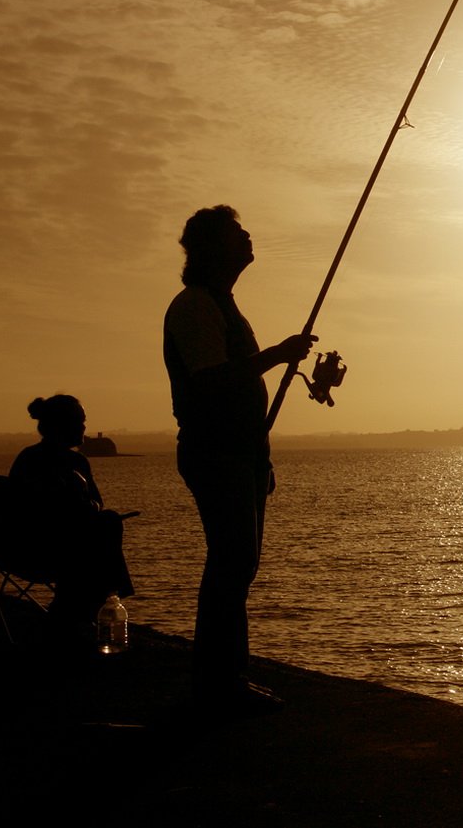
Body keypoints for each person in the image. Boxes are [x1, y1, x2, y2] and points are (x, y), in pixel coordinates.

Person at [163, 205, 315, 713]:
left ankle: (228, 678)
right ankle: (217, 684)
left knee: (239, 566)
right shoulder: (195, 307)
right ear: (213, 248)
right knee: (230, 566)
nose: (248, 237)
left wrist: (260, 460)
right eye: (237, 233)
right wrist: (277, 354)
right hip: (216, 454)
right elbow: (210, 381)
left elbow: (237, 380)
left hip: (243, 456)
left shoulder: (224, 305)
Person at [8, 394, 134, 647]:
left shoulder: (50, 459)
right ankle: (100, 605)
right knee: (106, 526)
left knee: (103, 527)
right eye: (79, 421)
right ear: (60, 425)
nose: (85, 428)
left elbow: (95, 504)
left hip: (41, 548)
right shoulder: (44, 461)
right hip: (43, 549)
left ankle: (80, 612)